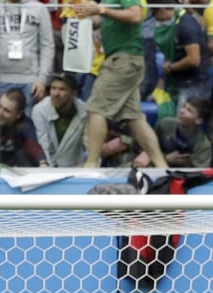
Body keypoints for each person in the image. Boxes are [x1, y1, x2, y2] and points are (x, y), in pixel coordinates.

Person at [74, 0, 168, 169]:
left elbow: (135, 15)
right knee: (134, 118)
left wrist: (100, 9)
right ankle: (161, 165)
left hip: (122, 60)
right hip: (125, 60)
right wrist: (88, 14)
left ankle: (91, 164)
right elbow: (104, 20)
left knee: (96, 108)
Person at [0, 0, 54, 119]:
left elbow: (47, 46)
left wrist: (42, 78)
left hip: (29, 82)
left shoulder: (39, 8)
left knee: (25, 132)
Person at [0, 87, 48, 166]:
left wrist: (42, 162)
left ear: (18, 115)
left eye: (6, 111)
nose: (0, 113)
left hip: (13, 166)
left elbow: (32, 145)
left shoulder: (25, 123)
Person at [133, 96, 213, 168]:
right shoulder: (165, 124)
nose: (182, 111)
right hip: (158, 167)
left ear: (198, 120)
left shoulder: (204, 146)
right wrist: (167, 158)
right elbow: (147, 148)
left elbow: (198, 174)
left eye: (189, 110)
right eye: (184, 107)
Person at [31, 72, 89, 167]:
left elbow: (89, 143)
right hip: (47, 167)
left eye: (62, 89)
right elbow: (42, 143)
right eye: (53, 88)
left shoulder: (84, 111)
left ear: (73, 93)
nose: (56, 94)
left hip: (75, 168)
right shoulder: (40, 110)